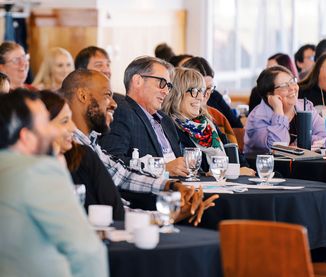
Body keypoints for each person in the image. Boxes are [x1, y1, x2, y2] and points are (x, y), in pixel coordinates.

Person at [61, 69, 217, 225]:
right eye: (107, 95)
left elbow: (122, 175)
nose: (114, 103)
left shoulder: (89, 143)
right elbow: (111, 214)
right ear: (83, 96)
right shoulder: (71, 149)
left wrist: (171, 187)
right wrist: (166, 217)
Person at [0, 90, 108, 276]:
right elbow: (87, 251)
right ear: (27, 137)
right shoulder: (39, 171)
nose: (52, 130)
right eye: (44, 123)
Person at [39, 90, 125, 220]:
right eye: (64, 121)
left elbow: (117, 211)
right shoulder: (28, 169)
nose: (73, 128)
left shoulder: (84, 155)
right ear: (39, 127)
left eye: (71, 119)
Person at [161, 67, 255, 175]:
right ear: (177, 94)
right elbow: (192, 170)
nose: (201, 97)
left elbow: (239, 160)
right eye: (194, 91)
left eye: (202, 91)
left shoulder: (206, 123)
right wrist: (232, 171)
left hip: (228, 184)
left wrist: (241, 170)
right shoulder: (169, 126)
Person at [244, 66, 325, 154]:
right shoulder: (257, 118)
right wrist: (278, 111)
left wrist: (297, 145)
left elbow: (324, 135)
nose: (292, 88)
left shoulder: (305, 106)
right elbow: (278, 147)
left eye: (292, 81)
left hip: (303, 165)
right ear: (269, 95)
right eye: (284, 85)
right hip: (267, 166)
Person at [183, 56, 244, 128]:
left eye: (209, 88)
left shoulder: (215, 96)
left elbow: (237, 125)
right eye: (199, 89)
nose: (205, 94)